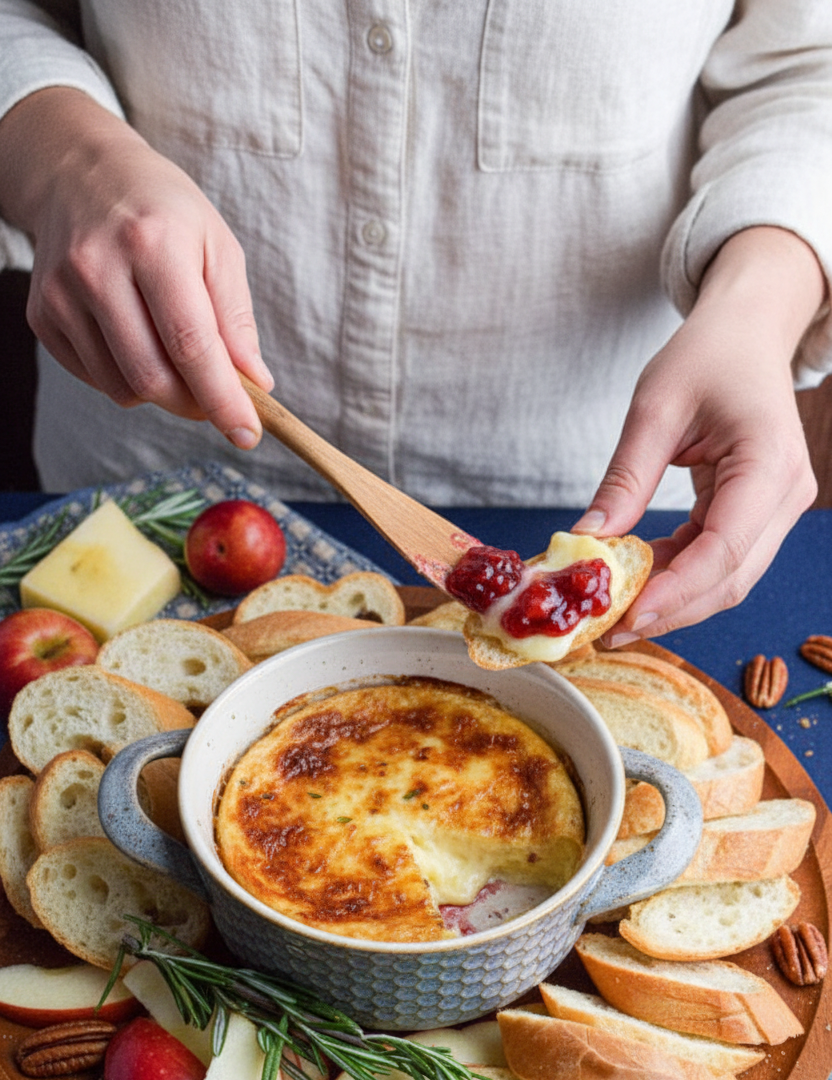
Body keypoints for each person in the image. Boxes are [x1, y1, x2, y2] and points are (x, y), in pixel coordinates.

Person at [0, 2, 829, 645]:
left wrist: (758, 308)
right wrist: (65, 156)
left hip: (597, 486)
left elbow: (805, 65)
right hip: (157, 465)